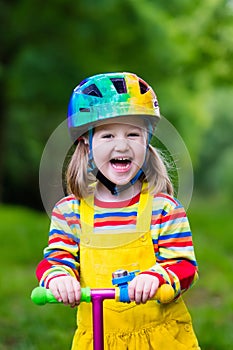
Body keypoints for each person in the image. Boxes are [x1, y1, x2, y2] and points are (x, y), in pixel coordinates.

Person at [36, 72, 200, 349]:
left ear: (147, 142)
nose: (121, 145)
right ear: (86, 142)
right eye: (108, 134)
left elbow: (184, 266)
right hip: (97, 337)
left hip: (161, 338)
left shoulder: (164, 210)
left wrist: (155, 276)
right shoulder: (69, 213)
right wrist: (60, 277)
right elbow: (56, 258)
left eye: (133, 134)